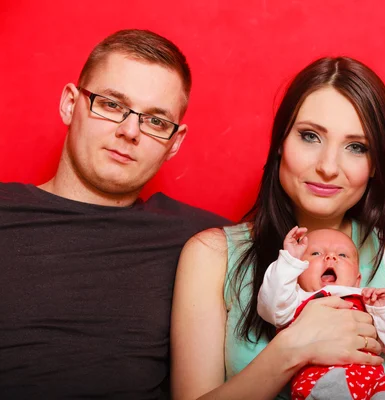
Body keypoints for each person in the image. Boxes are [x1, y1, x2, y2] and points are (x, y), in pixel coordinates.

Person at [170, 56, 385, 400]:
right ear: (280, 142)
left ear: (376, 164)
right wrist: (293, 349)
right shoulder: (212, 255)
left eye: (356, 147)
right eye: (309, 136)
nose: (328, 167)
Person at [0, 29, 228, 399]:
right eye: (110, 104)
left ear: (176, 142)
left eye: (156, 121)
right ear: (70, 104)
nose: (130, 131)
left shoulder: (205, 242)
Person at [258, 226, 385, 400]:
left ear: (357, 280)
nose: (330, 257)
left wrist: (384, 309)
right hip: (317, 385)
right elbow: (271, 304)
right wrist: (289, 263)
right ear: (298, 274)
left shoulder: (366, 302)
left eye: (342, 255)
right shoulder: (294, 300)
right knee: (330, 385)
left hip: (370, 387)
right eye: (315, 254)